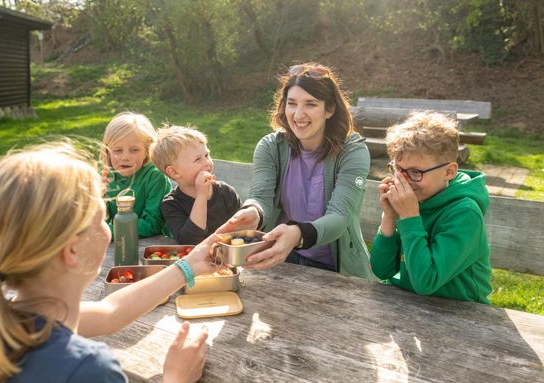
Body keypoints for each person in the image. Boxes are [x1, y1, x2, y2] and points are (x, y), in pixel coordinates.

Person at [0, 142, 216, 383]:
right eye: (101, 218)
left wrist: (188, 266)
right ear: (72, 251)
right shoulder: (87, 372)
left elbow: (109, 312)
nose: (108, 228)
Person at [218, 63, 371, 279]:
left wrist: (298, 234)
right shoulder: (271, 147)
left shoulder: (352, 151)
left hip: (337, 271)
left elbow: (340, 217)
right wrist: (253, 212)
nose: (298, 114)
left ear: (329, 109)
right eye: (292, 103)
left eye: (310, 104)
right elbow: (261, 198)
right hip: (281, 258)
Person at [369, 111, 492, 304]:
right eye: (399, 169)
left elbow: (426, 282)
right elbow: (382, 270)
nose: (404, 181)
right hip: (407, 306)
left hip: (463, 316)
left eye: (416, 172)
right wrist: (389, 217)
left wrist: (410, 218)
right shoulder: (414, 199)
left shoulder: (465, 212)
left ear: (449, 172)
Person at [152, 125, 241, 244]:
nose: (207, 163)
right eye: (198, 159)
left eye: (206, 155)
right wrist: (201, 196)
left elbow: (244, 230)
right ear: (174, 172)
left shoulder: (226, 192)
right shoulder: (171, 204)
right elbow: (190, 240)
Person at [100, 112, 172, 238]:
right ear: (107, 151)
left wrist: (107, 232)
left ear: (147, 150)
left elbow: (152, 224)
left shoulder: (155, 177)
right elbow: (100, 219)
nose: (125, 157)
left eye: (135, 150)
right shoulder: (107, 177)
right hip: (119, 244)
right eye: (117, 150)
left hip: (153, 246)